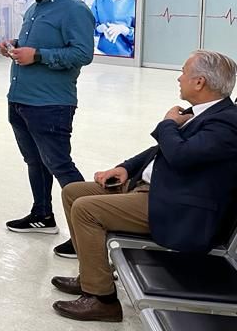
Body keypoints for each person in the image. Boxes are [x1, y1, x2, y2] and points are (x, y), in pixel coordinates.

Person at [50, 50, 237, 322]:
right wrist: (126, 168)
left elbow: (181, 155)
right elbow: (161, 149)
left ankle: (102, 300)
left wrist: (167, 124)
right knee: (73, 191)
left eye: (184, 72)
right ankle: (91, 275)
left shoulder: (227, 122)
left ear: (200, 82)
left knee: (86, 209)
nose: (179, 78)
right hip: (158, 188)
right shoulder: (203, 114)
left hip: (176, 205)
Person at [0, 0, 95, 237]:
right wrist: (15, 46)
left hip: (50, 104)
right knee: (35, 161)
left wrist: (38, 55)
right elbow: (39, 43)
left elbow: (82, 53)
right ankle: (42, 214)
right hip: (21, 100)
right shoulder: (36, 7)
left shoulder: (74, 9)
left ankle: (90, 231)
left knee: (60, 164)